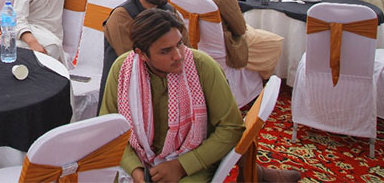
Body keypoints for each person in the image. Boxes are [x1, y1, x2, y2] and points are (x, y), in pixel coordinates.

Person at [100, 9, 299, 183]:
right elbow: (108, 128)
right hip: (136, 159)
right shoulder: (123, 69)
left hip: (193, 158)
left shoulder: (202, 66)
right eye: (166, 51)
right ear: (141, 55)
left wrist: (181, 166)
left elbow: (231, 128)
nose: (178, 55)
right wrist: (134, 169)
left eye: (179, 44)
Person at [101, 0, 176, 97]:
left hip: (169, 87)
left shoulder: (169, 11)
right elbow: (136, 67)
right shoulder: (122, 17)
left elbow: (185, 52)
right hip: (128, 93)